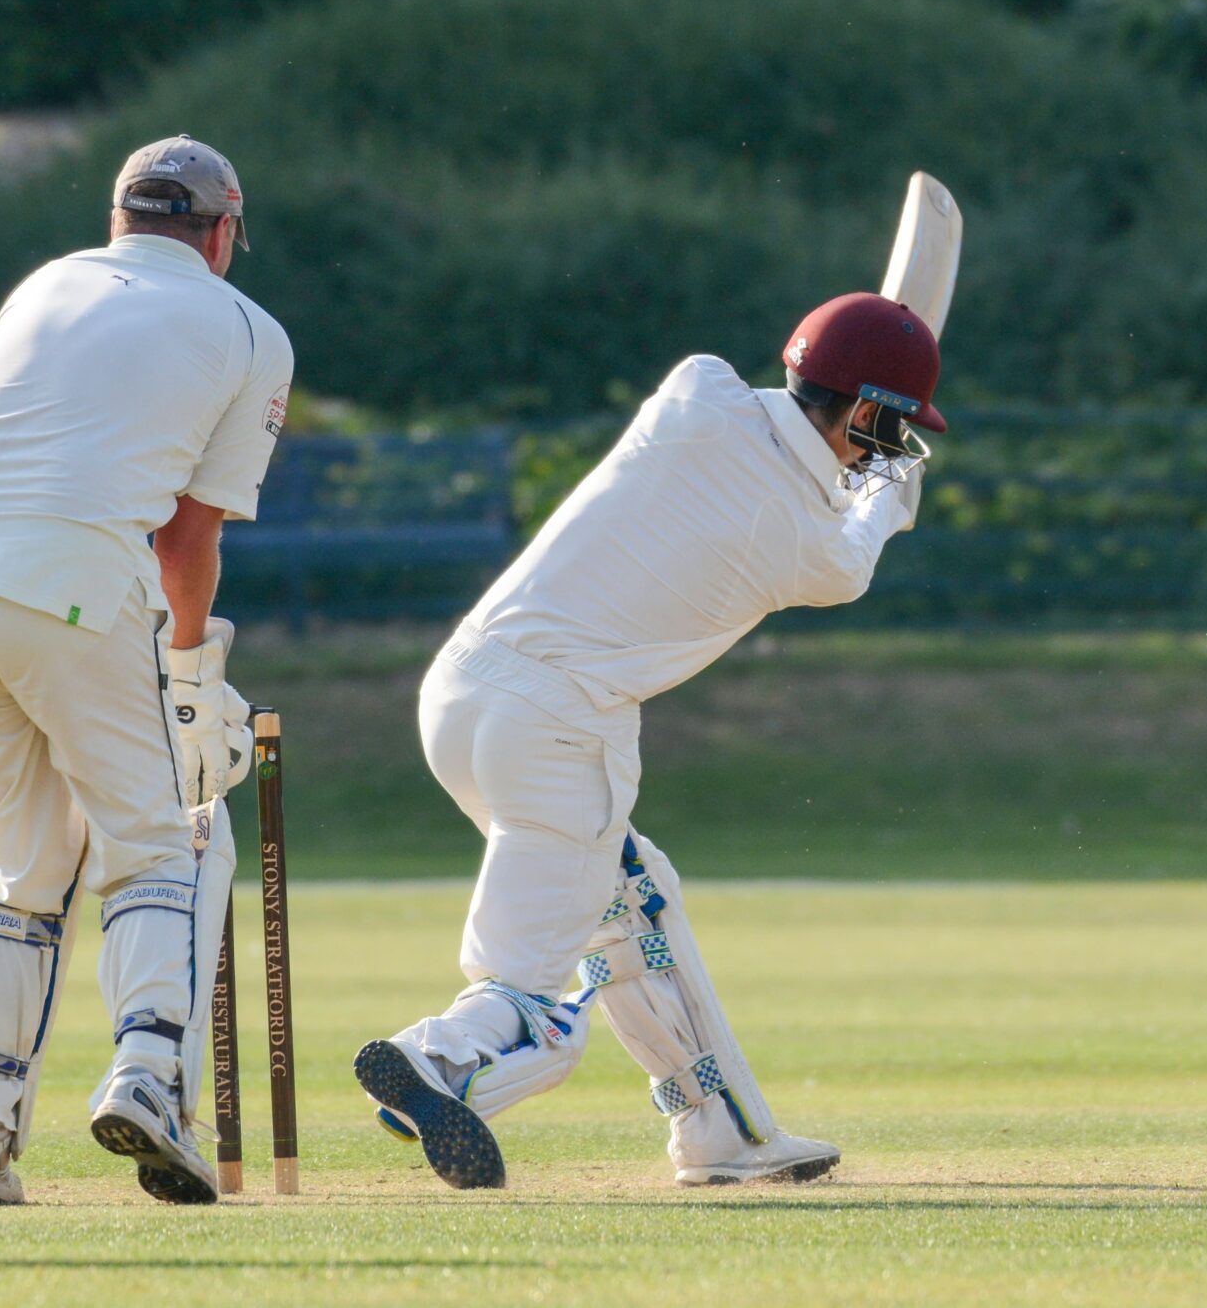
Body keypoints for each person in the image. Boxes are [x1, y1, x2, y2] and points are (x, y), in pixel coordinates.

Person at [355, 291, 943, 1189]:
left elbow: (768, 431)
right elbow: (851, 549)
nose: (883, 452)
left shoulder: (695, 386)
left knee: (637, 901)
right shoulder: (810, 549)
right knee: (534, 988)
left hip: (460, 691)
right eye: (883, 431)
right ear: (864, 410)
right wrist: (891, 499)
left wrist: (848, 403)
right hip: (559, 727)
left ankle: (719, 1131)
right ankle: (441, 1059)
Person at [0, 136, 293, 1205]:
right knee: (157, 838)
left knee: (20, 853)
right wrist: (193, 671)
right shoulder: (246, 327)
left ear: (120, 220)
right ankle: (151, 1074)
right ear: (221, 231)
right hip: (69, 579)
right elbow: (187, 537)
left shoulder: (46, 283)